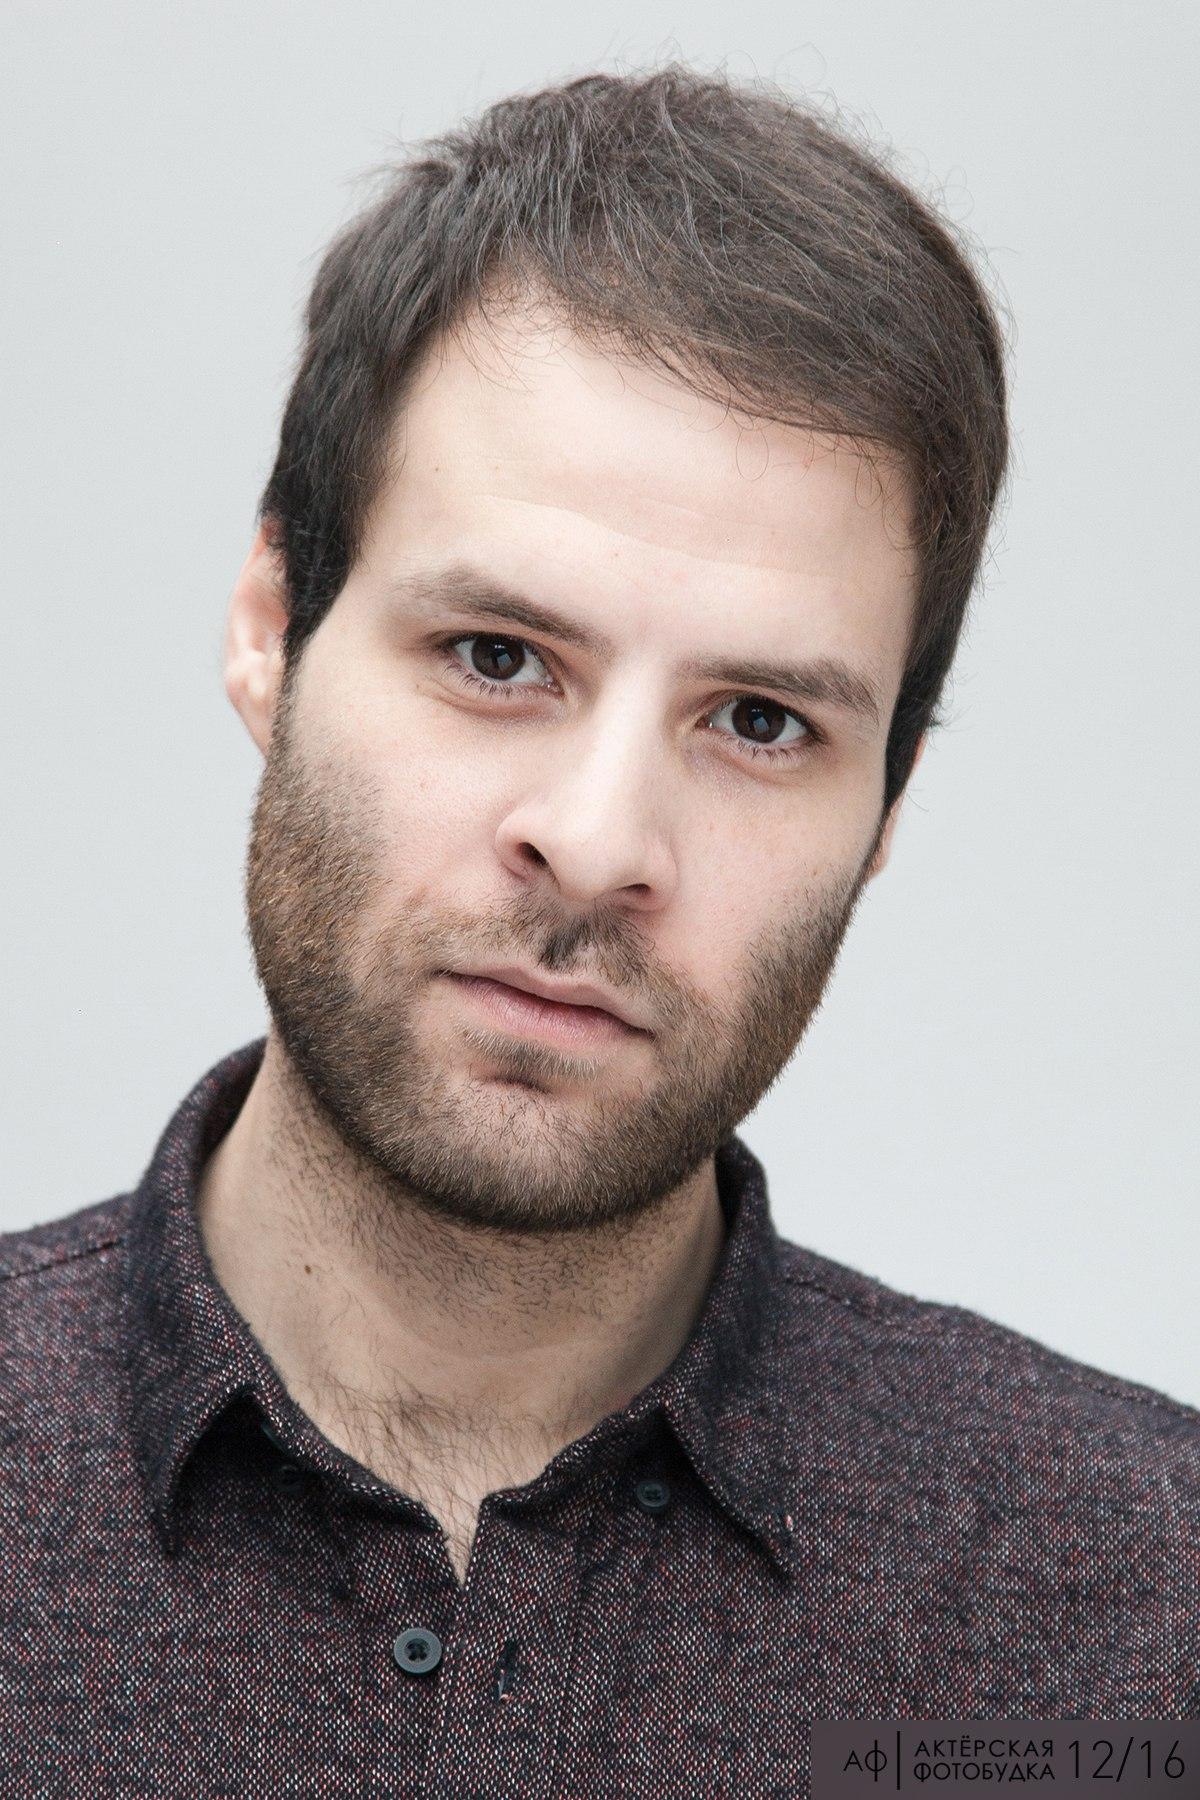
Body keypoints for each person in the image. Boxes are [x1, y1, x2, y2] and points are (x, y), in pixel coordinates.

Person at [2, 64, 1196, 1796]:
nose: (599, 843)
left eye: (761, 722)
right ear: (271, 628)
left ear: (887, 808)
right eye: (497, 657)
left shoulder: (1147, 1614)